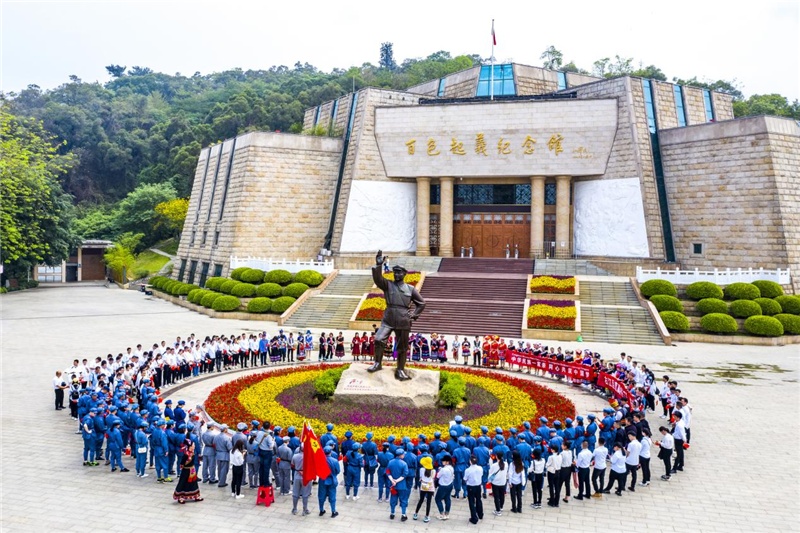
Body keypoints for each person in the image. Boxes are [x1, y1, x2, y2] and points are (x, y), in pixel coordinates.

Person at [367, 250, 426, 381]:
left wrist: (414, 315)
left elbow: (421, 303)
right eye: (395, 272)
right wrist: (378, 266)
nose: (397, 274)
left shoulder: (410, 289)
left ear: (404, 274)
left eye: (399, 272)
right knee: (378, 339)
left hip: (403, 319)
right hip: (389, 317)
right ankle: (377, 363)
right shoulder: (388, 285)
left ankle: (400, 370)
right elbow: (378, 279)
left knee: (402, 347)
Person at [173, 436, 203, 504]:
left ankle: (195, 495)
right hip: (186, 471)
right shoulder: (186, 454)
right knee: (183, 482)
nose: (194, 446)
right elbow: (182, 463)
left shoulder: (192, 453)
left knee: (194, 483)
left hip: (192, 470)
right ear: (190, 446)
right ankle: (180, 496)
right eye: (193, 445)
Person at [387, 448, 410, 521]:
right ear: (401, 455)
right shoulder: (404, 464)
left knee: (393, 499)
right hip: (402, 485)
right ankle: (403, 515)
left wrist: (393, 481)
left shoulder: (390, 462)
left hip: (393, 485)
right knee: (403, 500)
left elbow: (388, 472)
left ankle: (392, 513)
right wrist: (397, 481)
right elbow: (405, 474)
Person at [318, 447, 340, 517]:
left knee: (321, 495)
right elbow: (338, 471)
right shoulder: (335, 461)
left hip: (322, 480)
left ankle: (321, 510)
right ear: (331, 452)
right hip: (332, 480)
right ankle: (333, 511)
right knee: (332, 495)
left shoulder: (320, 460)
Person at [413, 456, 435, 522]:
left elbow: (421, 477)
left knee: (421, 500)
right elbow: (433, 478)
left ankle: (416, 514)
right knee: (429, 502)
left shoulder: (421, 469)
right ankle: (427, 516)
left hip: (423, 486)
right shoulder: (433, 471)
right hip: (430, 486)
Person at [291, 446, 312, 515]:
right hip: (306, 476)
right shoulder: (309, 457)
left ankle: (294, 509)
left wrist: (298, 469)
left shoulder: (295, 456)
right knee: (305, 494)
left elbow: (292, 465)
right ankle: (304, 510)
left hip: (297, 475)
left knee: (295, 493)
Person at [464, 455, 484, 525]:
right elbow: (481, 475)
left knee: (471, 502)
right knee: (479, 500)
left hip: (471, 487)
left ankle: (474, 517)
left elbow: (465, 479)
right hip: (478, 486)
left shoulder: (468, 470)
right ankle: (480, 514)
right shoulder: (480, 468)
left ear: (470, 461)